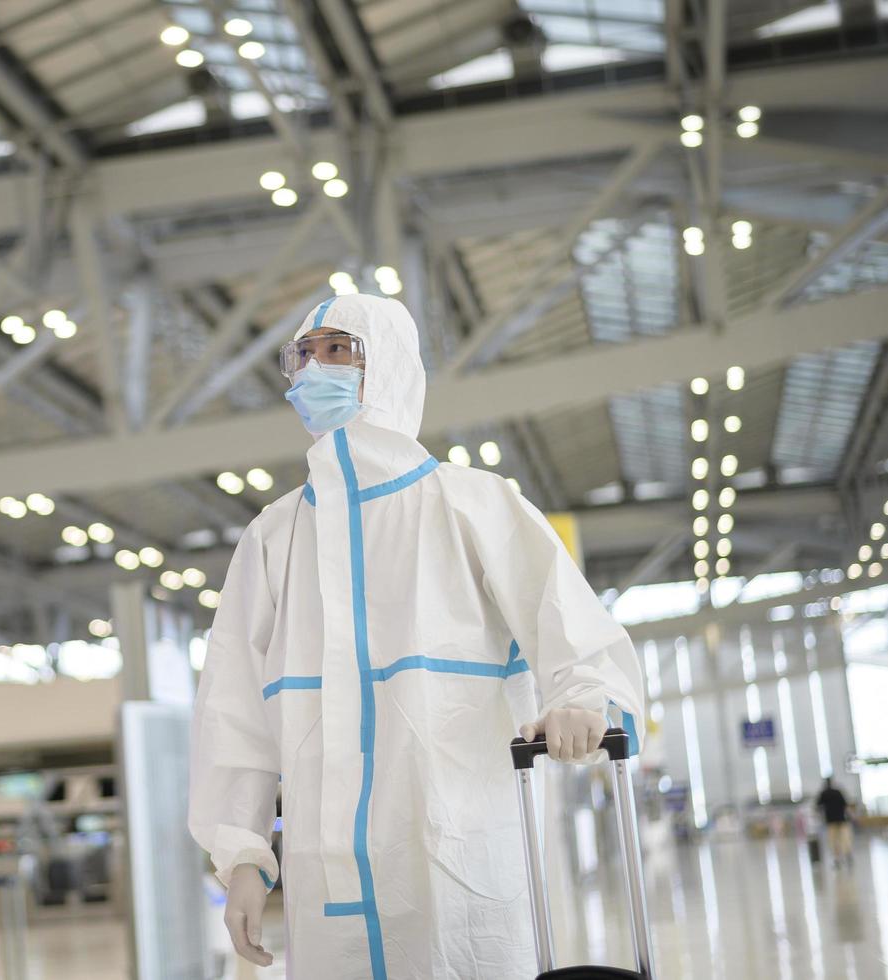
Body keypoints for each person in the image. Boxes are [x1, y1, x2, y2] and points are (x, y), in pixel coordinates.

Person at [187, 294, 645, 979]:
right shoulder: (272, 538)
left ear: (391, 366)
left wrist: (584, 701)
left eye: (338, 349)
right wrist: (244, 855)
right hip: (324, 896)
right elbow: (233, 714)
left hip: (459, 876)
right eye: (302, 354)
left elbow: (577, 640)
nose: (314, 368)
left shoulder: (473, 504)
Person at [816, 777, 853, 867]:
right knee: (845, 838)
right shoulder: (838, 792)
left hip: (830, 821)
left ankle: (837, 858)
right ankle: (847, 854)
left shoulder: (823, 793)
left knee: (833, 840)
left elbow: (817, 806)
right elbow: (845, 805)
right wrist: (850, 816)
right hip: (841, 819)